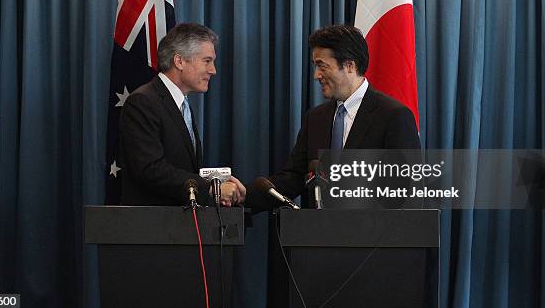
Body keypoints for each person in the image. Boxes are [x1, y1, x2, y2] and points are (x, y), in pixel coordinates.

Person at [245, 24, 420, 210]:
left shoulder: (394, 117)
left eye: (322, 66)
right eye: (315, 66)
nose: (316, 75)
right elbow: (293, 178)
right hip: (320, 236)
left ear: (349, 66)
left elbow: (404, 193)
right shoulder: (315, 118)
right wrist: (244, 194)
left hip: (373, 235)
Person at [118, 23, 246, 206]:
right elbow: (150, 169)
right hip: (151, 226)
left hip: (179, 225)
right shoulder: (143, 101)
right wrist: (209, 189)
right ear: (179, 61)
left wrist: (216, 184)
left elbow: (182, 166)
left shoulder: (181, 104)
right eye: (207, 61)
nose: (213, 70)